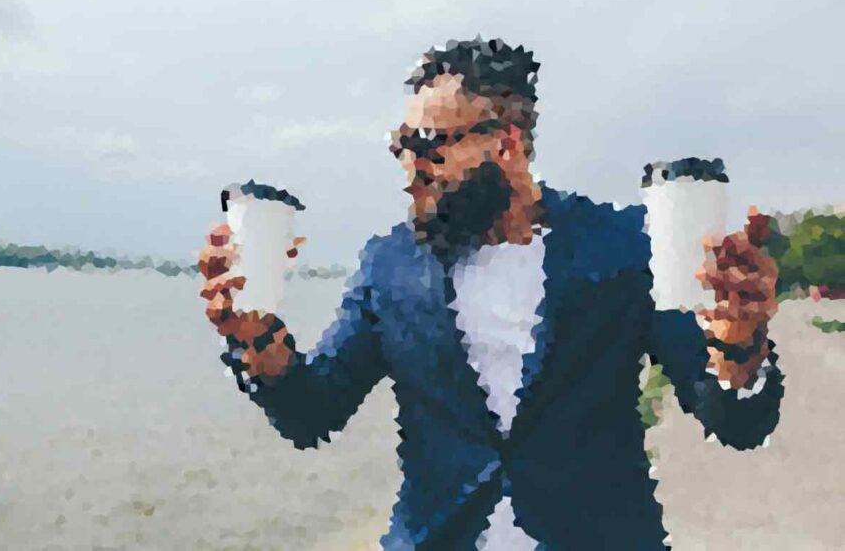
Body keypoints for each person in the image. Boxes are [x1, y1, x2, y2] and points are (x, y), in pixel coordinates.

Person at [198, 37, 783, 550]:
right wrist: (256, 341)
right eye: (401, 146)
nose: (411, 166)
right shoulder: (391, 265)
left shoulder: (624, 247)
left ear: (507, 143)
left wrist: (740, 344)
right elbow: (313, 413)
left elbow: (736, 423)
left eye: (429, 144)